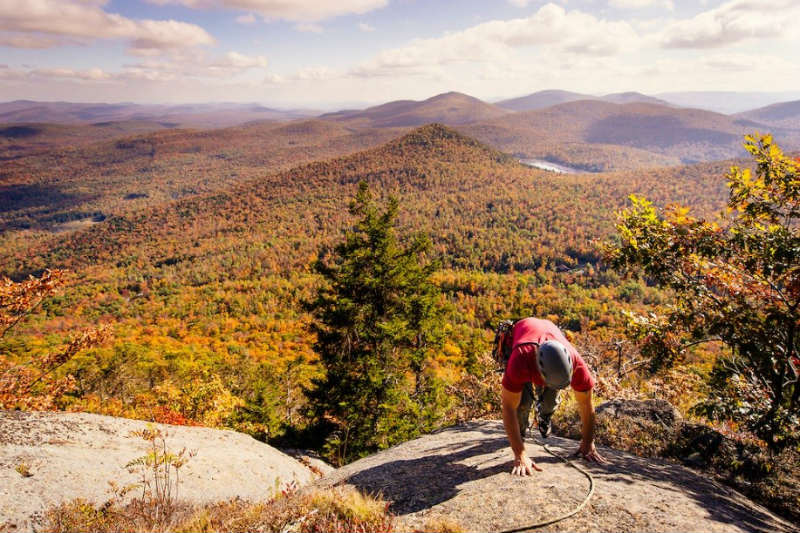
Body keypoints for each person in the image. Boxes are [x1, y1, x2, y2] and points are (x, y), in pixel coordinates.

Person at [499, 317, 607, 475]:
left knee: (550, 402)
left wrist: (588, 441)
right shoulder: (521, 359)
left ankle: (545, 417)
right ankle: (520, 435)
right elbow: (509, 406)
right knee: (522, 404)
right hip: (525, 341)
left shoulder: (577, 365)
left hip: (549, 339)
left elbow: (586, 404)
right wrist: (520, 454)